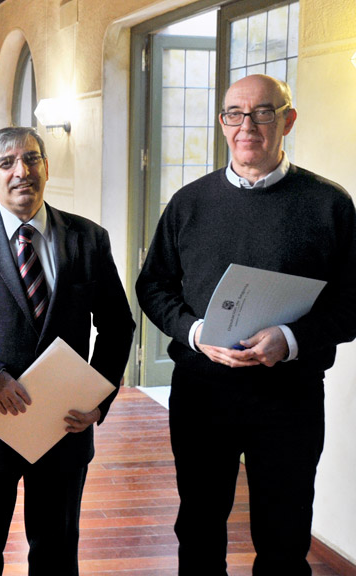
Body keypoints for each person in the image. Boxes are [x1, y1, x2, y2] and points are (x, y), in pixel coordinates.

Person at [136, 74, 356, 576]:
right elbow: (153, 287)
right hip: (201, 395)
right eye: (235, 113)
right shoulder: (188, 203)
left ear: (288, 121)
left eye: (263, 112)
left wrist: (293, 340)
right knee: (198, 527)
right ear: (221, 124)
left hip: (290, 397)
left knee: (283, 536)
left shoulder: (329, 204)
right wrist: (196, 335)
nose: (247, 125)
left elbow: (352, 300)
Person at [0, 126, 135, 575]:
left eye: (31, 159)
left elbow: (118, 325)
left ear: (46, 166)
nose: (21, 171)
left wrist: (97, 398)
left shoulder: (89, 238)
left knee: (58, 553)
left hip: (65, 424)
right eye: (6, 163)